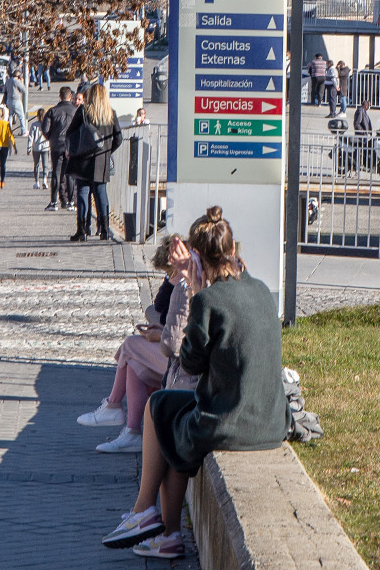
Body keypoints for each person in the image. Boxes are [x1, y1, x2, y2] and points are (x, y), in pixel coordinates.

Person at [100, 207, 284, 559]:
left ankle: (146, 514)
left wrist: (193, 288)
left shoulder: (209, 300)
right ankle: (156, 526)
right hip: (271, 419)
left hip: (233, 421)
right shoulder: (259, 289)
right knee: (171, 413)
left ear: (197, 257)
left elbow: (188, 359)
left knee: (161, 410)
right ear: (232, 251)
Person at [80, 233, 194, 453]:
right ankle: (131, 432)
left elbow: (164, 316)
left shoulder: (187, 283)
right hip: (181, 356)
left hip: (186, 366)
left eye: (169, 271)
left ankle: (114, 406)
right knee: (134, 364)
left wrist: (160, 331)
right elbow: (159, 313)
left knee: (131, 345)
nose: (169, 275)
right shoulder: (183, 280)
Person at [67, 84, 124, 242]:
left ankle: (82, 230)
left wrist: (74, 150)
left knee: (83, 192)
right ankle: (105, 230)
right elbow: (119, 139)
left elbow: (70, 132)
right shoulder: (110, 114)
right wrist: (107, 151)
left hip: (83, 159)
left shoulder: (84, 111)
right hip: (102, 160)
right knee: (101, 193)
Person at [43, 87, 79, 213]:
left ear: (60, 96)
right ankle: (71, 202)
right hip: (71, 146)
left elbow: (45, 129)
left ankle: (53, 202)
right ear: (70, 96)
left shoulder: (52, 111)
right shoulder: (76, 111)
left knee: (56, 173)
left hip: (56, 145)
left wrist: (51, 138)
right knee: (70, 174)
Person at [28, 107, 50, 189]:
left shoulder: (34, 125)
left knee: (36, 165)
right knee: (45, 165)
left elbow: (31, 137)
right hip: (45, 146)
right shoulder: (47, 124)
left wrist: (29, 147)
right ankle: (45, 179)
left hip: (36, 148)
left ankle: (37, 182)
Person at [4, 68, 28, 132]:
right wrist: (22, 82)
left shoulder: (8, 81)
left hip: (9, 100)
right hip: (16, 100)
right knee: (21, 116)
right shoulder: (17, 81)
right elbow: (24, 90)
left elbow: (4, 90)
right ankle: (23, 131)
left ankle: (9, 131)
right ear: (19, 76)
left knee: (10, 116)